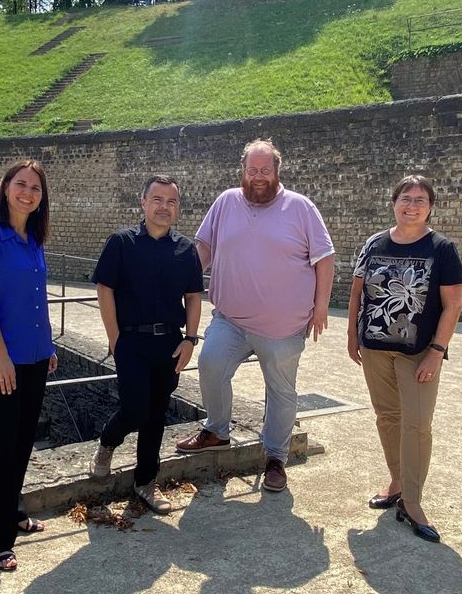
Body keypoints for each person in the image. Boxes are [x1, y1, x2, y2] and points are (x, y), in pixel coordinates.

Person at [174, 138, 335, 493]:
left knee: (280, 392)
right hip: (230, 318)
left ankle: (276, 457)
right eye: (252, 170)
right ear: (242, 171)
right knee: (210, 365)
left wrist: (321, 305)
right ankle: (217, 430)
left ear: (277, 171)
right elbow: (204, 248)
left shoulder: (300, 207)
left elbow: (324, 257)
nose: (258, 176)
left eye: (265, 170)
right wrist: (179, 283)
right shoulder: (226, 202)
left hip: (282, 327)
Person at [346, 175, 462, 544]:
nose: (411, 205)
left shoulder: (441, 248)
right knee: (388, 417)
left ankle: (413, 503)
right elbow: (357, 293)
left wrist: (437, 352)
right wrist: (353, 335)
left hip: (419, 353)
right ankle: (396, 483)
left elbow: (453, 304)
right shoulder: (374, 243)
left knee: (417, 423)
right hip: (375, 347)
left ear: (430, 207)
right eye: (405, 198)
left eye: (420, 199)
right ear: (394, 202)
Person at [88, 174, 204, 514]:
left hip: (169, 341)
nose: (164, 207)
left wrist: (190, 339)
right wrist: (114, 337)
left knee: (156, 415)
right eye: (157, 199)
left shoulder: (185, 250)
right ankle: (108, 441)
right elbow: (104, 288)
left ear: (177, 207)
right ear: (143, 202)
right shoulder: (121, 243)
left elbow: (194, 296)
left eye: (171, 201)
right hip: (131, 341)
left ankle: (145, 482)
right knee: (135, 409)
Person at [0, 159, 58, 572]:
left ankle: (14, 512)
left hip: (36, 356)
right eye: (21, 185)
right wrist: (0, 354)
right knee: (2, 443)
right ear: (6, 188)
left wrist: (48, 346)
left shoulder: (34, 238)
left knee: (23, 439)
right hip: (0, 358)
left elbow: (35, 300)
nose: (28, 193)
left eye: (35, 188)